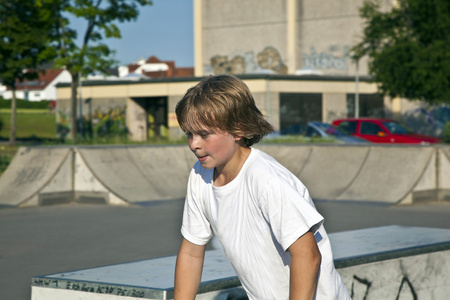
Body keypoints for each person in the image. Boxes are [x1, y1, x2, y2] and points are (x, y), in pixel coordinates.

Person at [174, 74, 350, 300]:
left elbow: (307, 255)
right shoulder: (200, 176)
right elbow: (191, 253)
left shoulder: (266, 179)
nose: (194, 144)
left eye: (204, 134)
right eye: (189, 134)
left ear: (237, 130)